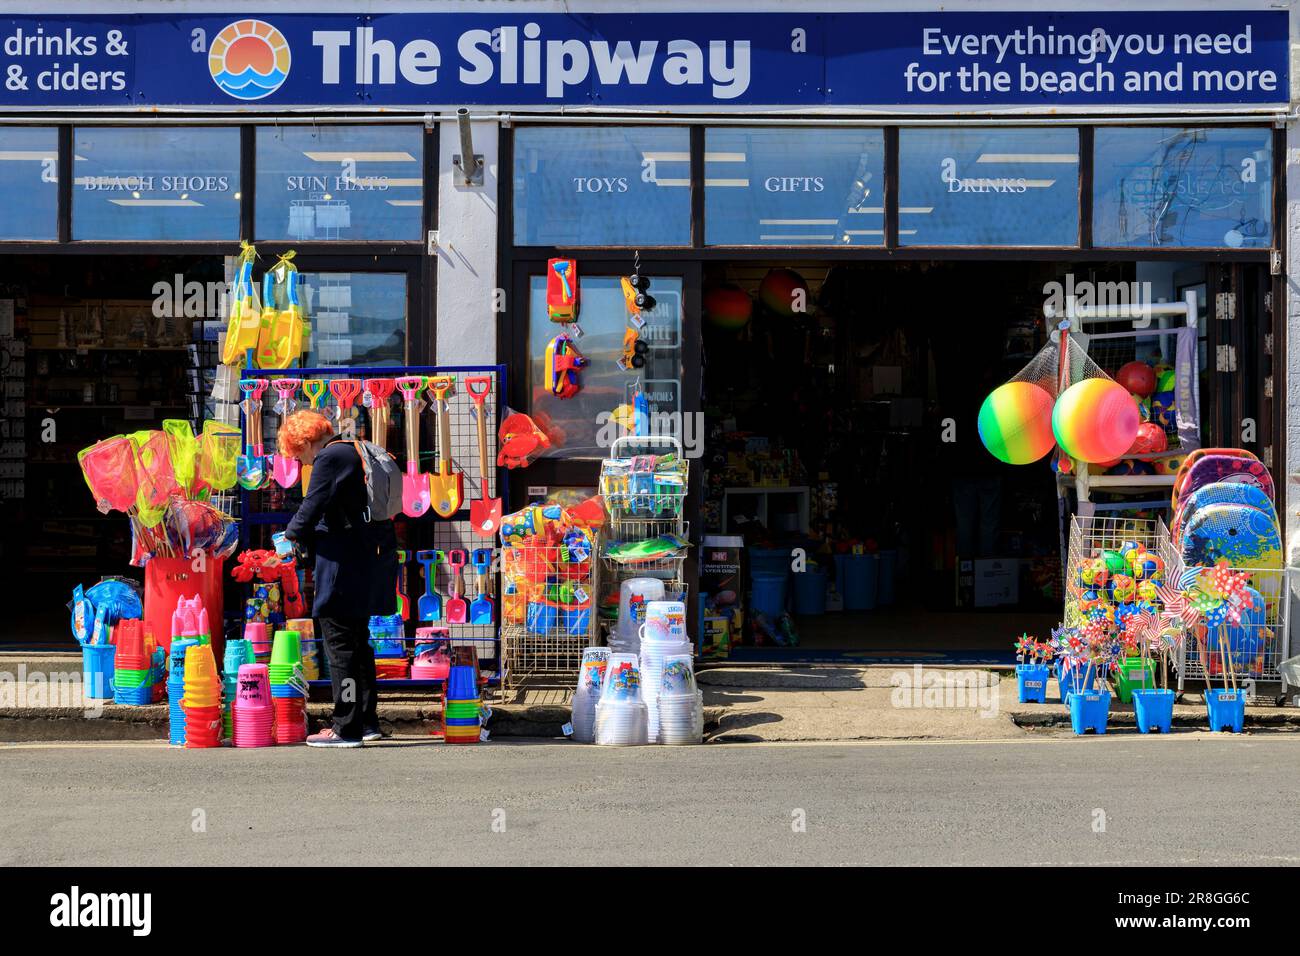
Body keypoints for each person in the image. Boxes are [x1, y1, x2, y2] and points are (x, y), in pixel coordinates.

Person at [279, 410, 398, 748]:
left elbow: (311, 505)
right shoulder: (354, 450)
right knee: (359, 645)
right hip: (365, 561)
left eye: (298, 454)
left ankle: (346, 727)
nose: (301, 461)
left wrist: (290, 537)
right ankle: (367, 720)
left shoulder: (329, 457)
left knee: (340, 648)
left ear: (304, 442)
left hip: (341, 567)